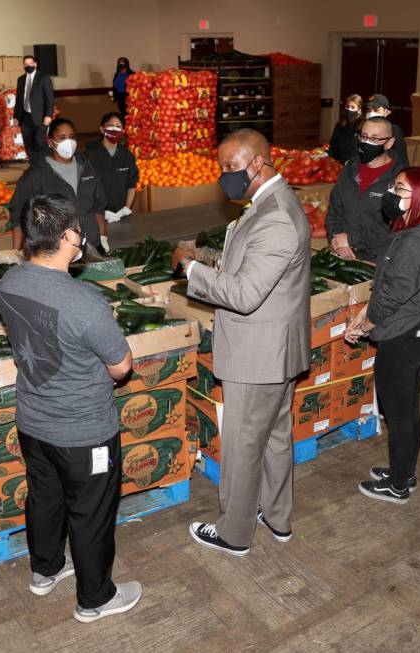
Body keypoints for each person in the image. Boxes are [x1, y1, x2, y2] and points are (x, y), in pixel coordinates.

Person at [0, 194, 141, 622]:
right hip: (84, 432)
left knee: (44, 496)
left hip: (33, 422)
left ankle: (45, 569)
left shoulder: (8, 282)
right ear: (65, 238)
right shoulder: (85, 302)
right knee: (90, 513)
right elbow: (121, 367)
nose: (82, 238)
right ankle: (95, 598)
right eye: (78, 231)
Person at [170, 129, 311, 556]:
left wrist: (190, 273)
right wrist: (207, 258)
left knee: (243, 444)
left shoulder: (276, 217)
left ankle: (233, 534)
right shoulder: (268, 205)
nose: (224, 176)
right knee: (274, 436)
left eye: (230, 167)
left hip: (258, 354)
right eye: (221, 167)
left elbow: (246, 294)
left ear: (257, 164)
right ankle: (277, 515)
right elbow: (249, 265)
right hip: (273, 349)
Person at [346, 167, 420, 504]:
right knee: (407, 407)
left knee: (399, 413)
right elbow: (390, 288)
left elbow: (395, 293)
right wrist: (365, 314)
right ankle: (402, 471)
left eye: (399, 188)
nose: (391, 194)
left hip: (404, 333)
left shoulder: (416, 243)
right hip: (415, 329)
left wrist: (366, 325)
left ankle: (398, 484)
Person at [9, 118, 110, 255]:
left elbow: (99, 206)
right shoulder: (36, 174)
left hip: (92, 246)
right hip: (55, 251)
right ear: (51, 142)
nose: (68, 142)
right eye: (62, 137)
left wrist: (102, 238)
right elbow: (19, 216)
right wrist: (16, 253)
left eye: (72, 137)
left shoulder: (85, 166)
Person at [325, 116, 406, 261]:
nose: (367, 142)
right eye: (364, 136)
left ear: (389, 143)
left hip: (380, 259)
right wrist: (338, 241)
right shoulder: (349, 170)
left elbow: (393, 225)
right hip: (345, 253)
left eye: (374, 139)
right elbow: (334, 211)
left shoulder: (401, 179)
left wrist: (351, 239)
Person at [86, 112, 139, 222]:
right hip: (97, 216)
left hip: (121, 214)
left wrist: (126, 208)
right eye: (110, 125)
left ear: (123, 131)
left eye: (118, 126)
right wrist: (99, 211)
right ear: (102, 129)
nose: (114, 129)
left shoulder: (127, 156)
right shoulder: (89, 155)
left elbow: (131, 185)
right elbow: (85, 187)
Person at [14, 55, 55, 159]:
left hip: (40, 116)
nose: (29, 66)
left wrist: (48, 115)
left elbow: (49, 98)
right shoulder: (21, 79)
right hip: (25, 116)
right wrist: (16, 117)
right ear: (23, 65)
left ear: (35, 64)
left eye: (31, 64)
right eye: (26, 64)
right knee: (28, 142)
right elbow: (19, 100)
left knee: (39, 140)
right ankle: (34, 164)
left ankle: (47, 162)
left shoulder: (44, 78)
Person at [365, 94, 409, 163]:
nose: (371, 113)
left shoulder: (394, 131)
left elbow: (402, 159)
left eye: (376, 110)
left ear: (386, 112)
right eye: (368, 110)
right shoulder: (362, 131)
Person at [328, 94, 362, 164]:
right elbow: (333, 147)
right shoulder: (339, 125)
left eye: (353, 107)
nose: (349, 109)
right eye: (348, 107)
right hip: (339, 165)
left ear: (359, 111)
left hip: (355, 167)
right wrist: (326, 154)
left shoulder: (362, 127)